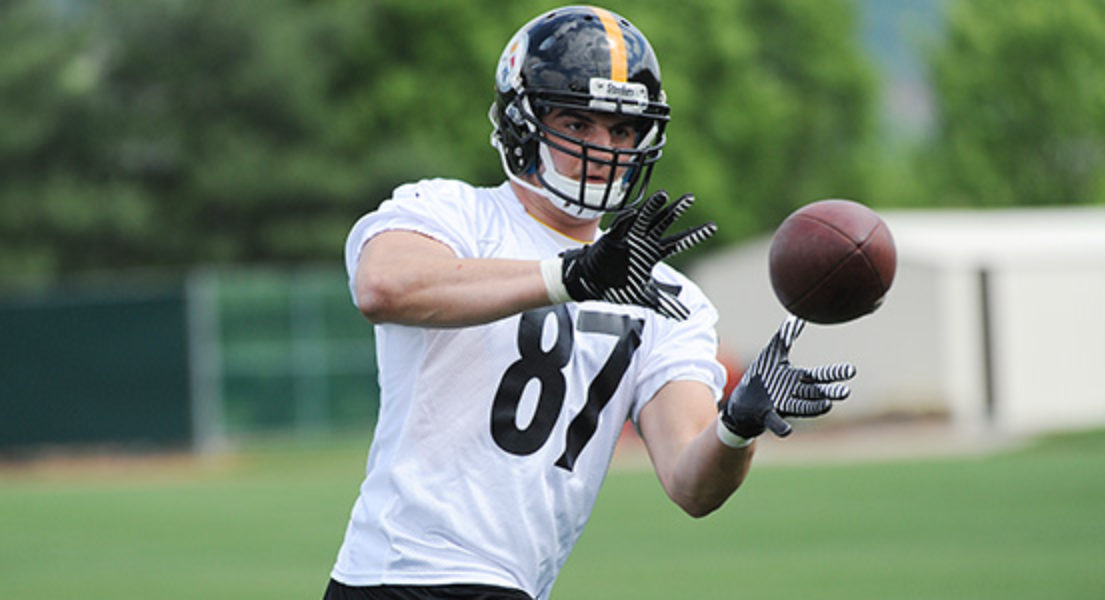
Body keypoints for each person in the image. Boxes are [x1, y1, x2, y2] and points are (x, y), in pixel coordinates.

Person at [325, 6, 855, 599]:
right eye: (578, 123)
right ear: (522, 122)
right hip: (400, 574)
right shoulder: (451, 212)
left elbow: (691, 485)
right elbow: (384, 287)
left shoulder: (667, 294)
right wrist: (569, 277)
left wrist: (737, 425)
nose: (603, 147)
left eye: (623, 129)